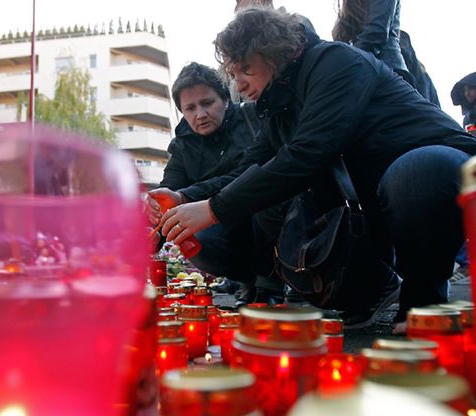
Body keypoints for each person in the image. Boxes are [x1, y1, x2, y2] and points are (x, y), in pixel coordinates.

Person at [159, 8, 476, 331]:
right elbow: (248, 168)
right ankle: (375, 289)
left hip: (443, 168)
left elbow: (308, 153)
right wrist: (185, 196)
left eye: (245, 71)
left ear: (270, 53)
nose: (238, 85)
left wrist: (214, 209)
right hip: (374, 197)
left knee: (415, 173)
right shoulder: (279, 104)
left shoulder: (335, 63)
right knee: (299, 224)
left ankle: (424, 303)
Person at [146, 62, 277, 306]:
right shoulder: (182, 144)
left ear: (225, 100)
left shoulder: (253, 120)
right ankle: (246, 279)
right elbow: (171, 190)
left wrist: (185, 197)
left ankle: (271, 284)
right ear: (182, 112)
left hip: (262, 215)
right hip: (219, 224)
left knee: (264, 198)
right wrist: (155, 220)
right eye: (190, 108)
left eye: (207, 103)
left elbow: (245, 174)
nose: (200, 114)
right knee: (193, 234)